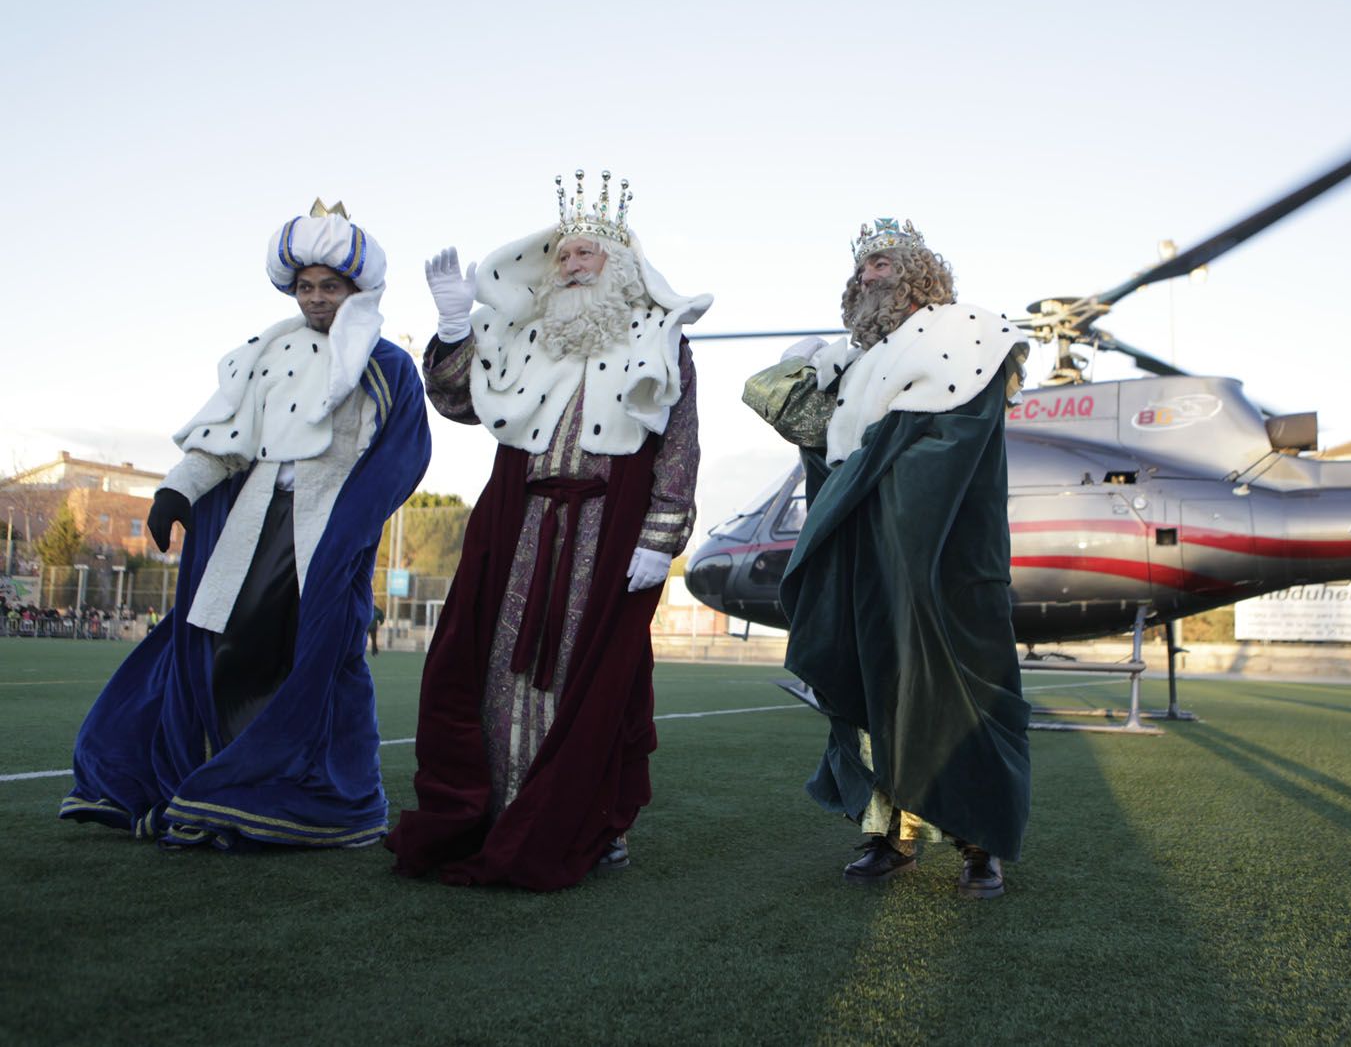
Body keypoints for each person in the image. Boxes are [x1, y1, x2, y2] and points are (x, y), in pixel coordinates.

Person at [60, 201, 430, 848]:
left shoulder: (386, 364)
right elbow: (224, 441)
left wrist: (351, 528)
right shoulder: (267, 351)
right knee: (223, 651)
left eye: (330, 286)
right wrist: (177, 490)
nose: (317, 299)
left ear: (356, 287)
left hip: (324, 533)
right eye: (307, 286)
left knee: (319, 659)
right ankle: (223, 780)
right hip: (249, 525)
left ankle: (311, 797)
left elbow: (401, 455)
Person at [387, 170, 708, 890]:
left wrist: (661, 537)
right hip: (517, 522)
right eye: (563, 254)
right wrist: (450, 331)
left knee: (600, 682)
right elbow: (461, 404)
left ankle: (592, 822)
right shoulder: (526, 336)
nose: (571, 263)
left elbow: (679, 445)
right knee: (490, 669)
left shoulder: (662, 342)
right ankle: (499, 812)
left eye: (586, 253)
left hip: (611, 527)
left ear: (619, 263)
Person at [743, 218, 1032, 899]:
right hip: (866, 552)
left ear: (918, 273)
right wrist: (811, 366)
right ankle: (889, 832)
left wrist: (867, 471)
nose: (870, 277)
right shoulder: (861, 363)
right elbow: (812, 435)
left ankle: (979, 843)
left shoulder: (969, 337)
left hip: (942, 554)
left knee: (962, 684)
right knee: (874, 684)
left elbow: (947, 446)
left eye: (883, 265)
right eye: (864, 268)